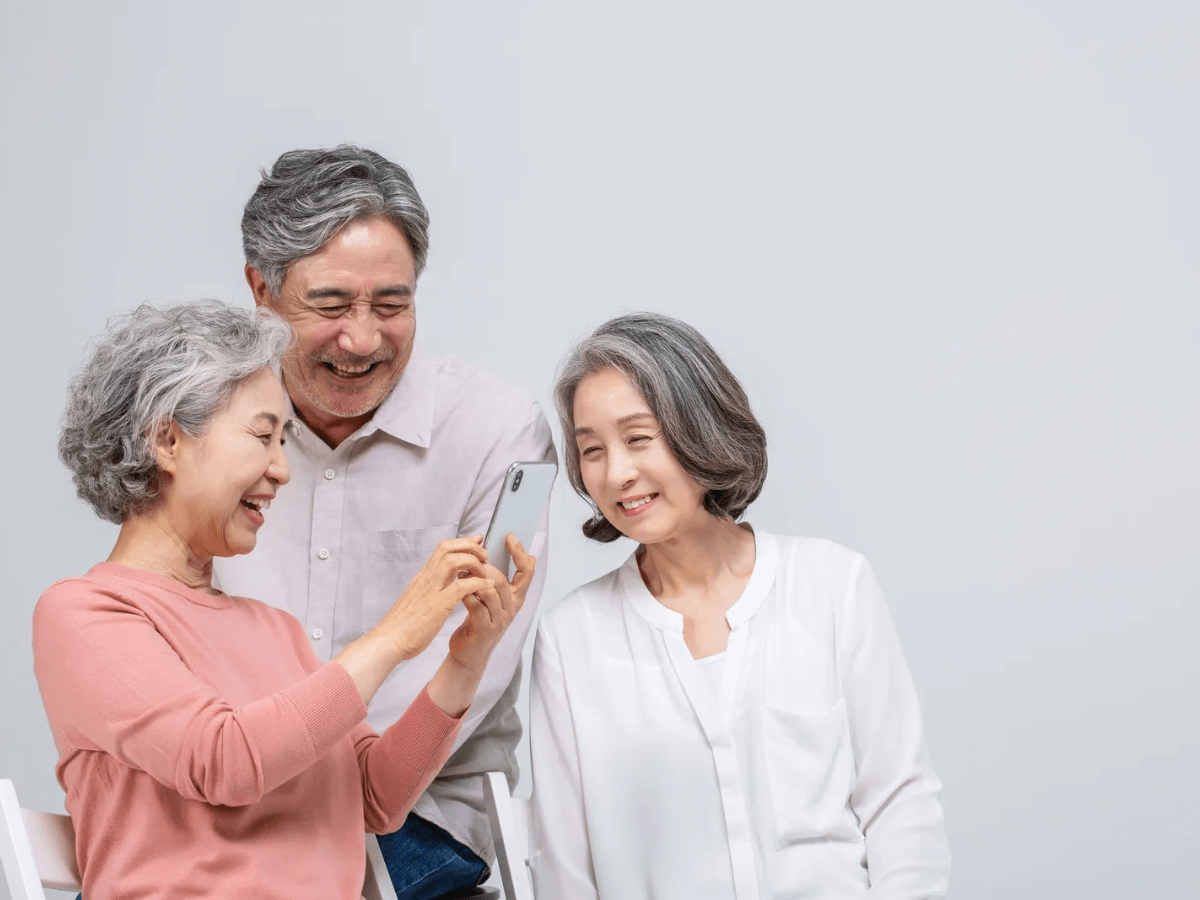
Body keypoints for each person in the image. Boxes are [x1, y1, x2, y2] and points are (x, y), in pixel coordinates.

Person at [34, 300, 536, 900]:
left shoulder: (274, 629)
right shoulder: (86, 614)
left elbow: (374, 798)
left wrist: (465, 657)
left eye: (283, 440)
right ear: (167, 439)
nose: (281, 469)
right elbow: (225, 761)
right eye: (262, 436)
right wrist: (395, 635)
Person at [211, 144, 555, 898]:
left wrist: (299, 769)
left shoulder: (499, 431)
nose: (362, 339)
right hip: (233, 814)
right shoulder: (207, 431)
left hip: (420, 825)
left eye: (390, 305)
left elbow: (475, 659)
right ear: (260, 291)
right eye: (330, 305)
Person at [529, 312, 951, 899]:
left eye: (638, 438)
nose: (617, 472)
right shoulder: (570, 640)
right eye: (592, 450)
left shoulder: (832, 585)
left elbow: (899, 802)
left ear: (698, 429)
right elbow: (564, 871)